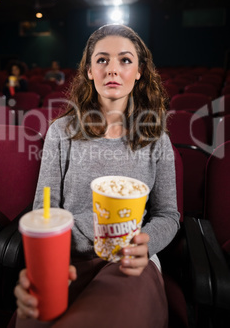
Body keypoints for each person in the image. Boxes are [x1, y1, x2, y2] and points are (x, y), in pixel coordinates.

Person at [14, 24, 180, 328]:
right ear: (89, 71)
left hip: (128, 259)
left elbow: (169, 214)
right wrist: (45, 262)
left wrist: (146, 243)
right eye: (102, 60)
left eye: (125, 60)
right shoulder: (61, 132)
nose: (112, 69)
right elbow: (44, 209)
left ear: (140, 71)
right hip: (67, 258)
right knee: (33, 318)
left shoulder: (157, 138)